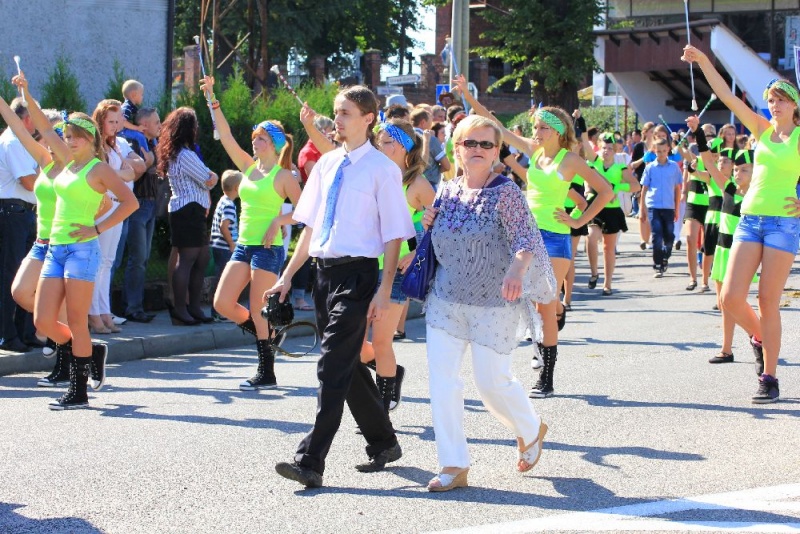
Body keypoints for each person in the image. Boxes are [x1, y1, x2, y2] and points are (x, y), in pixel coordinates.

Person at [267, 85, 414, 489]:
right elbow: (311, 228)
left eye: (346, 113)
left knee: (331, 363)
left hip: (359, 275)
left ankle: (310, 460)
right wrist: (287, 275)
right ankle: (384, 442)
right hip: (323, 275)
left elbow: (394, 235)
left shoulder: (383, 169)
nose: (338, 120)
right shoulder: (326, 164)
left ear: (368, 119)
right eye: (336, 112)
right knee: (346, 366)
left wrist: (384, 289)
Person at [452, 74, 614, 397]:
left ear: (558, 131)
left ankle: (546, 377)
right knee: (527, 300)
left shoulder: (571, 160)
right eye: (535, 127)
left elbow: (606, 191)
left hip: (555, 238)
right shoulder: (533, 151)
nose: (536, 132)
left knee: (543, 307)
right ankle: (557, 311)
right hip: (524, 236)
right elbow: (496, 126)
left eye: (542, 128)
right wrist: (468, 97)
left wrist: (579, 219)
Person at [420, 115, 556, 491]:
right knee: (442, 382)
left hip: (495, 302)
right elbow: (437, 241)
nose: (477, 149)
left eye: (486, 144)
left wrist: (516, 271)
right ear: (457, 149)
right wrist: (426, 224)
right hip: (446, 300)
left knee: (491, 383)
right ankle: (453, 464)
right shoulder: (447, 190)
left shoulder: (506, 192)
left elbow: (525, 239)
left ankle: (530, 428)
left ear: (496, 151)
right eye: (470, 143)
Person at [684, 46, 800, 403]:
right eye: (771, 100)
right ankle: (761, 338)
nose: (774, 105)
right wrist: (704, 61)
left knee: (767, 300)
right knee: (729, 297)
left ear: (794, 105)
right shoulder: (762, 130)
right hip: (749, 221)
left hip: (783, 224)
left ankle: (769, 377)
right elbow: (727, 96)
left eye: (781, 100)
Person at [15, 73, 138, 410]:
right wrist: (26, 92)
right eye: (66, 136)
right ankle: (91, 353)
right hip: (55, 248)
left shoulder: (99, 169)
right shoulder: (67, 161)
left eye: (73, 137)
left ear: (88, 139)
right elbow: (41, 125)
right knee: (43, 321)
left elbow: (129, 202)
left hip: (82, 251)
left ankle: (78, 390)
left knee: (76, 321)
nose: (67, 141)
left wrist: (97, 229)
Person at [200, 75, 302, 390]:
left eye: (262, 139)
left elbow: (304, 213)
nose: (255, 142)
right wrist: (212, 99)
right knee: (222, 303)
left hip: (268, 249)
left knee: (260, 311)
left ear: (275, 145)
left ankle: (266, 372)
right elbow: (226, 135)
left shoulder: (284, 176)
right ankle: (268, 334)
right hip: (244, 246)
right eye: (255, 137)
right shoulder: (247, 167)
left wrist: (278, 221)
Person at [359, 119, 434, 412]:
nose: (379, 145)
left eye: (387, 141)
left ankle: (382, 405)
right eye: (378, 141)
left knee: (381, 342)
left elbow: (443, 224)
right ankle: (392, 373)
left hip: (396, 273)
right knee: (353, 344)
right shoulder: (376, 176)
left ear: (403, 146)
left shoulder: (417, 184)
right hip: (364, 266)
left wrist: (416, 255)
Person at [0, 99, 68, 381]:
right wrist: (19, 94)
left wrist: (94, 228)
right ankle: (18, 334)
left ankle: (69, 354)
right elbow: (17, 127)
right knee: (19, 287)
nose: (48, 136)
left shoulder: (71, 164)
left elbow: (113, 202)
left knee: (59, 300)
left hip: (61, 239)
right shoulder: (35, 153)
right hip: (30, 228)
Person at [157, 107, 218, 325]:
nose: (197, 128)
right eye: (194, 125)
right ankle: (180, 309)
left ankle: (194, 307)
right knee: (187, 260)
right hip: (188, 210)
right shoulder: (185, 155)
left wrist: (210, 176)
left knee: (201, 259)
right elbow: (208, 179)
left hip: (191, 209)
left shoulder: (179, 153)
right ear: (187, 128)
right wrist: (213, 175)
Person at [88, 100, 143, 335]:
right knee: (98, 262)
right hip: (104, 206)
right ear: (100, 121)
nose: (116, 124)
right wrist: (118, 174)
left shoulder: (115, 145)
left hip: (118, 206)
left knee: (108, 262)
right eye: (111, 121)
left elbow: (132, 172)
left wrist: (115, 174)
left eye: (118, 120)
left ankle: (104, 311)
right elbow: (110, 175)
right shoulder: (95, 146)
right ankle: (94, 314)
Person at [0, 97, 38, 353]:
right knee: (11, 274)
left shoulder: (23, 142)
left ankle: (24, 332)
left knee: (27, 274)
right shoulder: (13, 141)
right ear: (25, 119)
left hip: (24, 212)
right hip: (13, 212)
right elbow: (29, 181)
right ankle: (8, 334)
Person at [583, 132, 641, 295]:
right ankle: (594, 272)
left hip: (612, 209)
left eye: (610, 148)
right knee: (591, 237)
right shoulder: (594, 163)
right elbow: (587, 176)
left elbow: (636, 186)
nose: (606, 151)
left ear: (615, 150)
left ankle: (607, 284)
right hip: (595, 206)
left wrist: (617, 187)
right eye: (603, 148)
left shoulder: (620, 168)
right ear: (599, 148)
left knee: (608, 248)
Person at [122, 107, 161, 323]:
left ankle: (136, 305)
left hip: (150, 205)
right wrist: (147, 163)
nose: (160, 126)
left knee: (143, 259)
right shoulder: (134, 143)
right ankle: (132, 308)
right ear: (144, 125)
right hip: (137, 204)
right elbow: (134, 174)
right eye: (156, 122)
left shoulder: (153, 144)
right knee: (137, 258)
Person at [640, 138, 683, 277]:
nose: (662, 154)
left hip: (669, 206)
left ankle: (665, 255)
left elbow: (677, 189)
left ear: (668, 150)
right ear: (654, 151)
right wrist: (642, 209)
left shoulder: (674, 167)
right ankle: (658, 263)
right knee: (657, 235)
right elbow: (644, 189)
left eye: (664, 151)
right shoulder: (650, 167)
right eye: (659, 151)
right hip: (654, 205)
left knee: (669, 236)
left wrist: (677, 208)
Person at [209, 170, 241, 322]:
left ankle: (219, 310)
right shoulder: (229, 205)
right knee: (224, 280)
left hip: (218, 246)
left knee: (221, 278)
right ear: (237, 188)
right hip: (225, 247)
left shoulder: (223, 201)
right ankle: (219, 311)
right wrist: (232, 244)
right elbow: (224, 226)